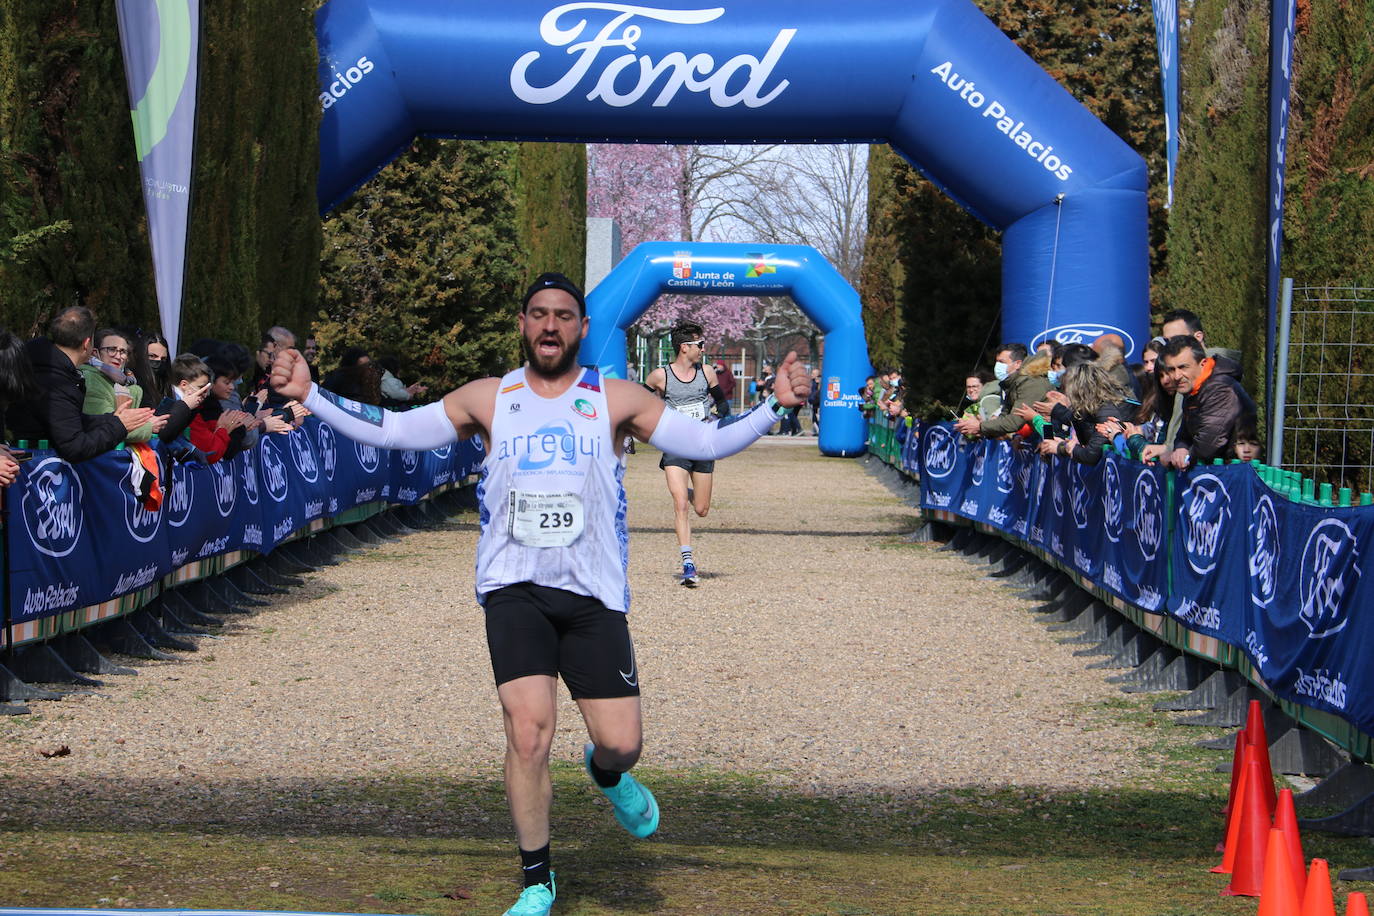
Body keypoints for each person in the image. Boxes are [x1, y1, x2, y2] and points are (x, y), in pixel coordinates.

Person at [269, 272, 811, 916]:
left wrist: (774, 406)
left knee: (622, 742)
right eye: (537, 314)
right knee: (527, 733)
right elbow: (394, 430)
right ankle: (536, 880)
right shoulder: (488, 398)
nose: (550, 325)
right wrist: (314, 396)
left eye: (563, 315)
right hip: (514, 590)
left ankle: (606, 773)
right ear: (523, 325)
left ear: (582, 328)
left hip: (592, 596)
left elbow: (705, 442)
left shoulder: (616, 399)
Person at [644, 321, 731, 586]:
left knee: (701, 508)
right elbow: (639, 403)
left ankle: (689, 492)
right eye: (700, 344)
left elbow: (724, 405)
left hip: (702, 446)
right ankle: (688, 564)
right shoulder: (659, 376)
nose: (703, 349)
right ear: (685, 348)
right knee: (680, 503)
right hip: (675, 446)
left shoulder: (707, 373)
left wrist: (715, 418)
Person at [9, 307, 154, 463]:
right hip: (33, 472)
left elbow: (72, 420)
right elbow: (74, 447)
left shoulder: (53, 369)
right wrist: (119, 426)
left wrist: (112, 420)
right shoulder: (56, 383)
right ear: (87, 343)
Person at [1143, 336, 1256, 469]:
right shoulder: (1193, 388)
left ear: (1202, 364)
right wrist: (1180, 449)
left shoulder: (1220, 389)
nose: (1177, 376)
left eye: (1183, 367)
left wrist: (1180, 456)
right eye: (1171, 370)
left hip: (1236, 475)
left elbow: (1209, 446)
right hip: (1218, 473)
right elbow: (1183, 434)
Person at [79, 328, 164, 443]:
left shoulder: (127, 381)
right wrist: (148, 427)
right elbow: (104, 426)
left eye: (123, 351)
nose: (119, 356)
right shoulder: (91, 379)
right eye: (112, 350)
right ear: (95, 353)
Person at [953, 343, 1052, 440]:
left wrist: (980, 426)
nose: (998, 366)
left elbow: (1015, 421)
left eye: (1002, 362)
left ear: (1018, 364)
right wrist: (979, 428)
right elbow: (1004, 417)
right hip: (1045, 437)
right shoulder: (1012, 384)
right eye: (997, 362)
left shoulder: (1031, 383)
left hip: (1054, 435)